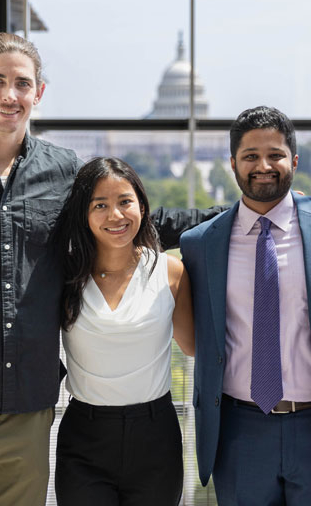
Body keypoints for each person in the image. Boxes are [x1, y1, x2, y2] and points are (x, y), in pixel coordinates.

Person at [0, 32, 219, 505]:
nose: (10, 95)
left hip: (26, 416)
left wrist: (245, 214)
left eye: (22, 84)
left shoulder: (65, 172)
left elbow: (134, 221)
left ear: (38, 93)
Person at [180, 106, 311, 506]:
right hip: (240, 432)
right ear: (233, 163)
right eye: (251, 156)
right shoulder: (201, 244)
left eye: (275, 154)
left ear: (294, 160)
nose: (264, 165)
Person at [54, 157, 192, 505]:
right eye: (100, 205)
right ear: (83, 215)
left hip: (155, 435)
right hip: (84, 436)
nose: (115, 215)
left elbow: (193, 346)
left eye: (125, 202)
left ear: (142, 208)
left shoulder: (171, 273)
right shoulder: (64, 275)